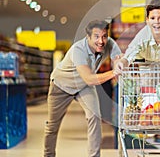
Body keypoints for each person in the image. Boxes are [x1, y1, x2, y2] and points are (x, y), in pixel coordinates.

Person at [43, 20, 122, 157]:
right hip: (62, 85)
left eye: (104, 36)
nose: (101, 41)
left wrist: (121, 63)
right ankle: (48, 155)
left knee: (94, 116)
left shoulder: (108, 44)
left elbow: (119, 59)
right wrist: (113, 73)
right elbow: (89, 78)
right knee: (52, 126)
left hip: (83, 87)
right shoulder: (78, 49)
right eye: (96, 36)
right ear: (88, 37)